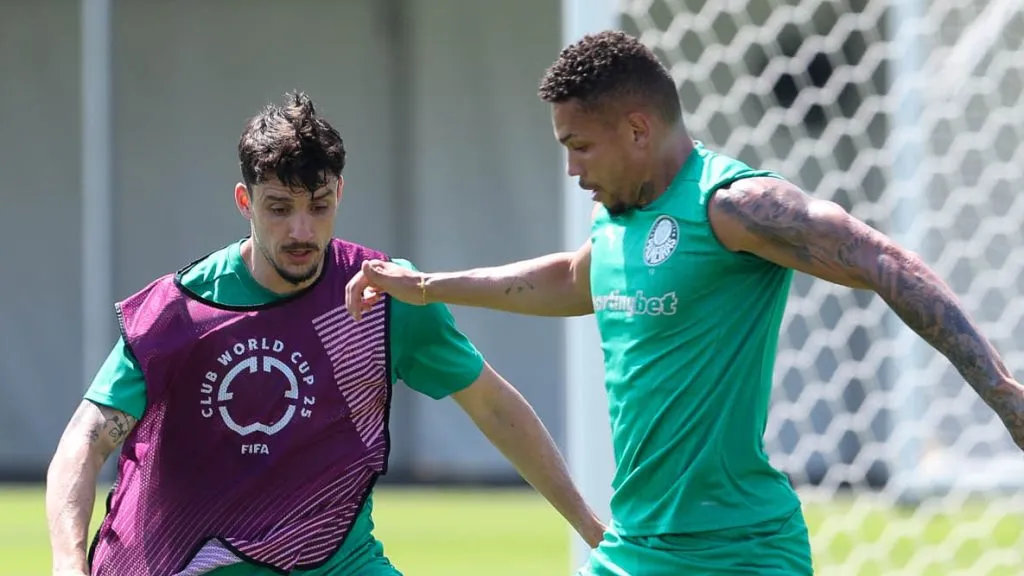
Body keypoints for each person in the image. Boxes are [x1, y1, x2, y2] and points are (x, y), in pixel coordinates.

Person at [344, 30, 1024, 575]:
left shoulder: (734, 205)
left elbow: (883, 260)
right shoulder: (617, 217)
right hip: (636, 547)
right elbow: (577, 277)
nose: (572, 167)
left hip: (742, 549)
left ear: (638, 131)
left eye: (579, 146)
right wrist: (430, 286)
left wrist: (1001, 391)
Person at [46, 91, 605, 576]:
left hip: (334, 559)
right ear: (246, 202)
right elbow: (85, 440)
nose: (301, 230)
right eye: (279, 208)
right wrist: (69, 564)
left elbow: (493, 407)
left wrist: (593, 530)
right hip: (194, 560)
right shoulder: (180, 311)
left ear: (340, 192)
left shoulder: (383, 297)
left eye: (318, 207)